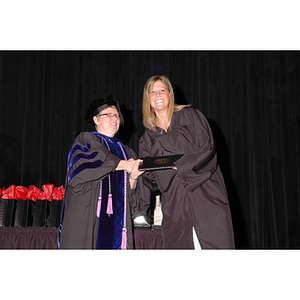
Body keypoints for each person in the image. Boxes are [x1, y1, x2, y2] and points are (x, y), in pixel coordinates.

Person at [135, 75, 235, 249]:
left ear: (170, 94)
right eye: (152, 92)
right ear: (147, 99)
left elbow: (207, 148)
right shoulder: (147, 138)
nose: (158, 95)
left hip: (206, 195)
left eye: (162, 90)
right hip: (175, 207)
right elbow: (151, 181)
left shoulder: (191, 117)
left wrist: (181, 165)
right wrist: (137, 175)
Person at [58, 95, 145, 249]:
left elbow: (131, 198)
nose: (114, 118)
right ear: (96, 119)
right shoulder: (86, 140)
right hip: (89, 215)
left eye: (117, 115)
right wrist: (125, 165)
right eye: (108, 114)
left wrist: (133, 177)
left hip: (118, 222)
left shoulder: (127, 152)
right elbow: (85, 171)